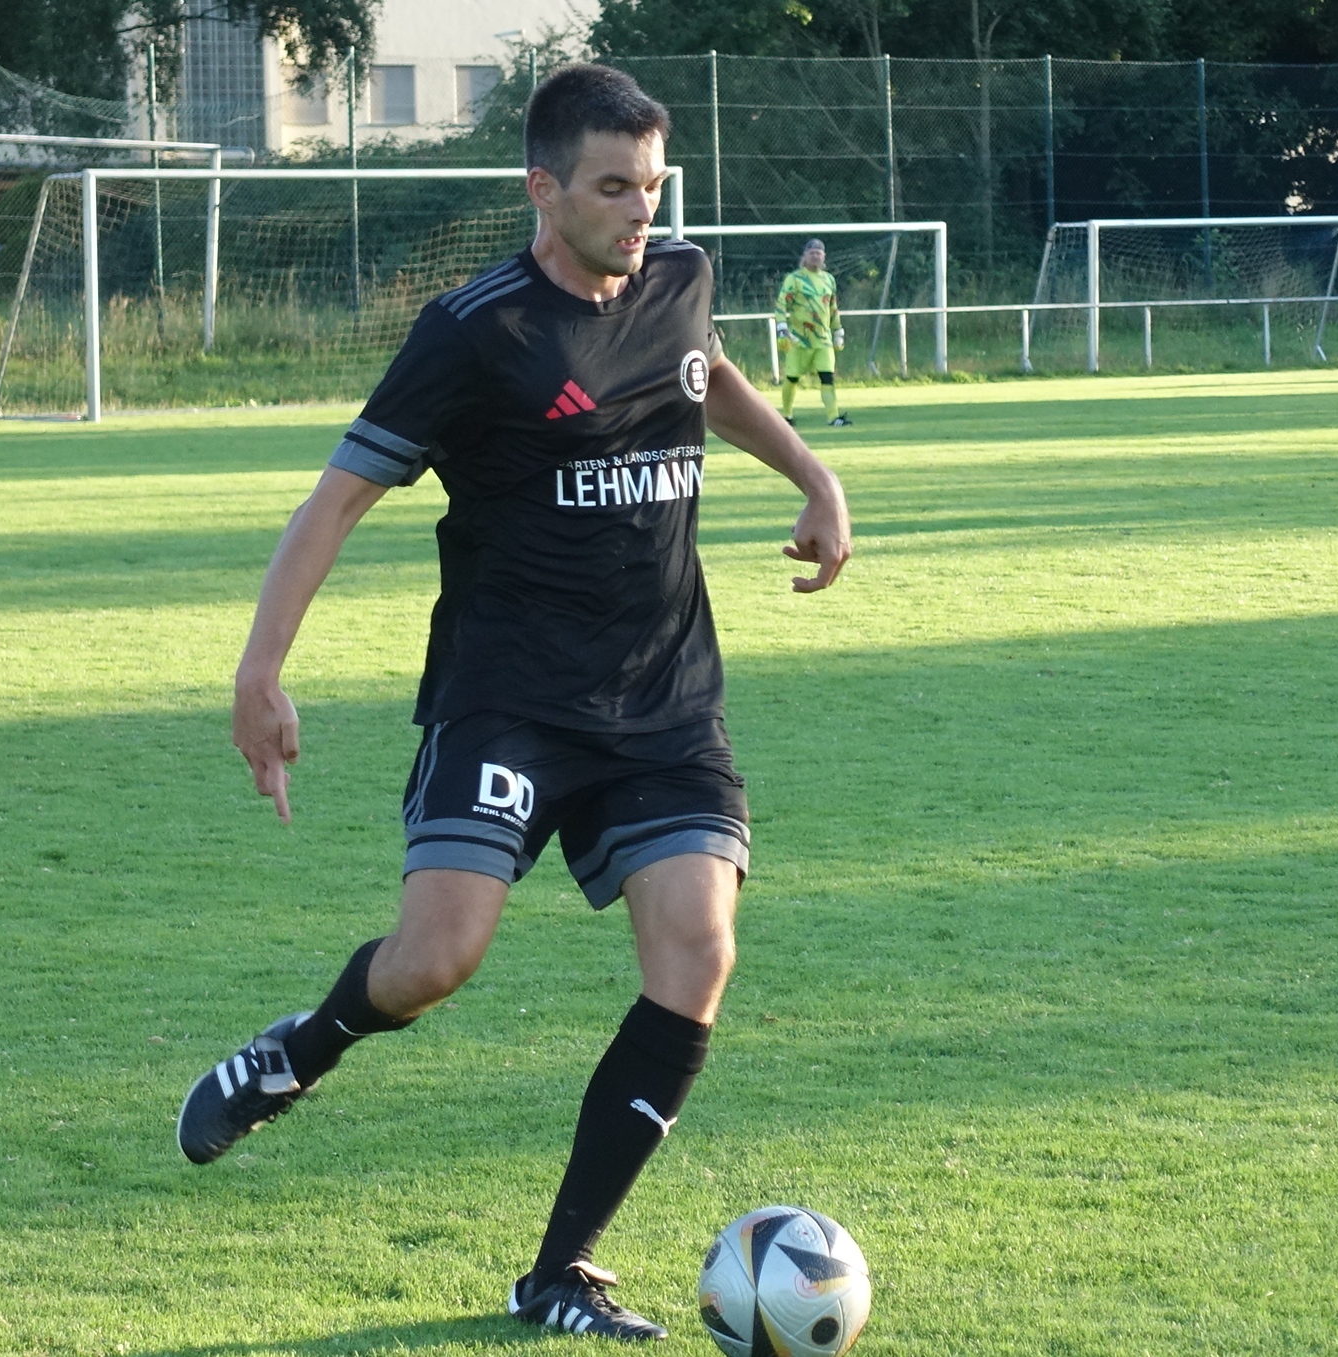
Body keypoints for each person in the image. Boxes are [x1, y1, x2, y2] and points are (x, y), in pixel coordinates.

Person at [175, 63, 852, 1342]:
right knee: (435, 961)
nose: (640, 211)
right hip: (509, 701)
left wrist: (812, 476)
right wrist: (259, 673)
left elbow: (706, 375)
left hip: (663, 701)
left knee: (698, 956)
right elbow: (333, 503)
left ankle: (559, 1273)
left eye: (652, 186)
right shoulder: (472, 333)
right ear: (543, 189)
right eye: (613, 187)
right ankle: (300, 1049)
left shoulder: (680, 279)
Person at [773, 239, 850, 427]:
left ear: (824, 256)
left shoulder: (828, 279)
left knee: (827, 377)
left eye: (818, 253)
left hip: (823, 340)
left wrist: (838, 330)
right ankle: (786, 416)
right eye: (812, 253)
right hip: (799, 339)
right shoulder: (794, 279)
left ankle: (833, 417)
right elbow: (781, 305)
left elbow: (832, 308)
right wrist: (782, 328)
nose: (815, 256)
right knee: (792, 378)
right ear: (805, 256)